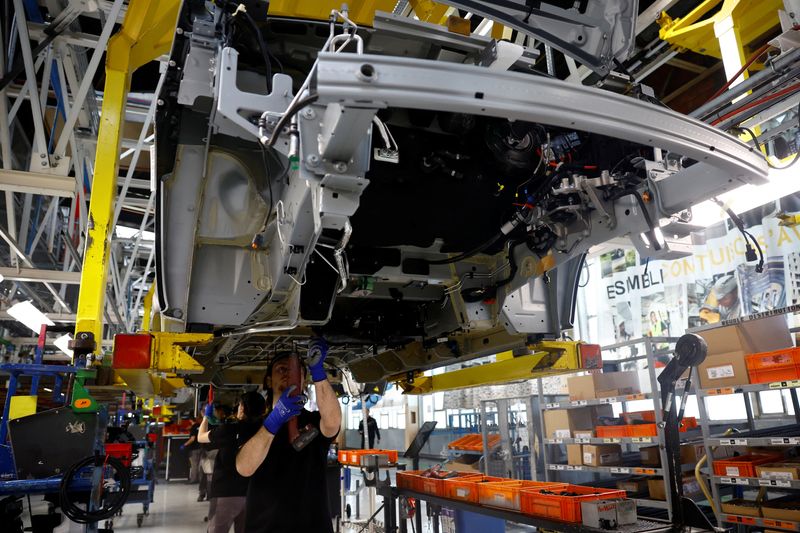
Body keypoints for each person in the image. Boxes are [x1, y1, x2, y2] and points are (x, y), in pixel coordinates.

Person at [236, 340, 341, 533]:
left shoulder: (315, 421)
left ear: (303, 380)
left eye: (295, 371)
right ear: (269, 380)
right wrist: (273, 422)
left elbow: (333, 423)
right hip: (265, 527)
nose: (288, 373)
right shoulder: (253, 426)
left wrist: (318, 371)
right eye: (280, 369)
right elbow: (244, 468)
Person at [198, 392, 265, 533]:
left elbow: (201, 437)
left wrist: (205, 417)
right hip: (253, 494)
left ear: (242, 408)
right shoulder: (264, 432)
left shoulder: (229, 429)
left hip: (225, 494)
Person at [182, 415, 203, 485]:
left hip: (194, 448)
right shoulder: (200, 425)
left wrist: (184, 444)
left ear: (190, 420)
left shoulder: (193, 427)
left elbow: (192, 439)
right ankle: (201, 480)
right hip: (201, 447)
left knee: (194, 465)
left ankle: (193, 480)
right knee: (200, 464)